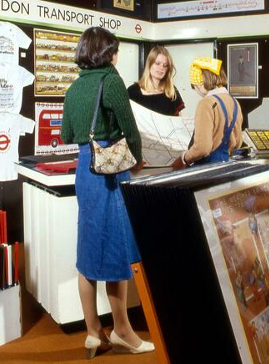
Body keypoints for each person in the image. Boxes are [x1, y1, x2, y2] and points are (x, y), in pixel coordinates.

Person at [61, 27, 154, 358]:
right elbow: (130, 129)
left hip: (85, 170)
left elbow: (67, 133)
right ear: (107, 53)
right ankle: (123, 331)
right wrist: (138, 160)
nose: (117, 56)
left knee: (87, 250)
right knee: (117, 248)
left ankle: (92, 332)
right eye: (115, 50)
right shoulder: (111, 80)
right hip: (112, 170)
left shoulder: (74, 88)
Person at [171, 57, 243, 168]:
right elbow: (238, 143)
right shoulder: (234, 102)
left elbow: (202, 148)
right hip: (225, 165)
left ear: (199, 83)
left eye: (194, 86)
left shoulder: (206, 103)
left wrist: (184, 158)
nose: (196, 90)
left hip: (205, 168)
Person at [128, 46, 184, 116]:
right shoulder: (132, 91)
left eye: (165, 65)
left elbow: (178, 121)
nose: (161, 68)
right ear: (149, 64)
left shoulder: (171, 91)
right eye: (157, 63)